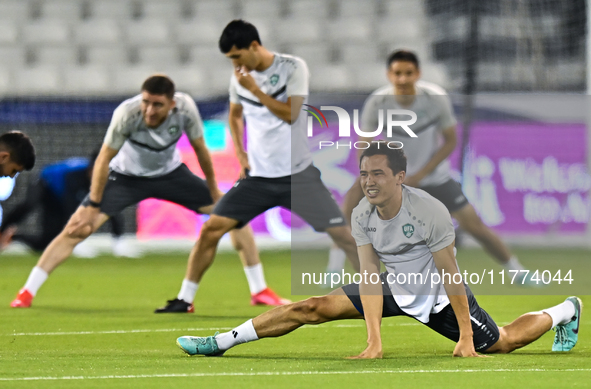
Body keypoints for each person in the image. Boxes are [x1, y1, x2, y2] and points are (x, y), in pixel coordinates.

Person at [176, 144, 582, 358]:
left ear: (399, 177)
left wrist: (464, 336)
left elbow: (451, 275)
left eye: (378, 174)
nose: (369, 181)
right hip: (393, 285)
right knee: (312, 307)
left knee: (504, 341)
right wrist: (374, 340)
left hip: (439, 295)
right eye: (364, 173)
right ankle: (221, 342)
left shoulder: (430, 212)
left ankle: (565, 310)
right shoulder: (362, 213)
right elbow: (369, 276)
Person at [10, 74, 287, 310]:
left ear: (172, 104)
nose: (150, 110)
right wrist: (94, 203)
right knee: (77, 228)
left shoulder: (186, 110)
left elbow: (201, 151)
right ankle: (27, 292)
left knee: (234, 214)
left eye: (157, 104)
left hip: (171, 175)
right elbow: (104, 159)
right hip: (124, 178)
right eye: (146, 102)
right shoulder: (126, 114)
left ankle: (259, 290)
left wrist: (214, 190)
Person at [157, 20, 360, 312]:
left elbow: (291, 114)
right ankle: (184, 299)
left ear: (254, 47)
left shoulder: (292, 68)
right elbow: (235, 115)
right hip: (257, 180)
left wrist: (255, 89)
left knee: (343, 235)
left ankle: (379, 293)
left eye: (237, 56)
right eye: (230, 60)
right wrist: (240, 154)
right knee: (210, 230)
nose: (235, 65)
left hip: (298, 176)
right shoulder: (239, 78)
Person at [326, 50, 531, 283]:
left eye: (408, 73)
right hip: (394, 180)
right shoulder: (378, 101)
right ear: (389, 75)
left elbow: (450, 140)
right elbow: (364, 143)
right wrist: (370, 175)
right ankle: (333, 270)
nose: (402, 79)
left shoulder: (435, 99)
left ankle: (517, 271)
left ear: (418, 74)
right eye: (397, 73)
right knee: (350, 209)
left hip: (434, 178)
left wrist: (421, 174)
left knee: (474, 225)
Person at [0, 153, 132, 257]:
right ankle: (2, 230)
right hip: (45, 183)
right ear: (91, 169)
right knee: (29, 204)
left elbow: (112, 209)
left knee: (46, 244)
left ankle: (13, 237)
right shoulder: (74, 176)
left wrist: (118, 241)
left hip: (59, 198)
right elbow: (71, 208)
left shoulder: (104, 181)